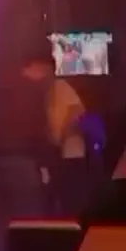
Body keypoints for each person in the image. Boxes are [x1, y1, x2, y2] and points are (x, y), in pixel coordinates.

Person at [21, 52, 87, 215]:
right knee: (56, 192)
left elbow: (78, 111)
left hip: (70, 153)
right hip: (59, 152)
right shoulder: (48, 91)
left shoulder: (60, 86)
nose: (27, 75)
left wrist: (64, 134)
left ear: (44, 68)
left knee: (68, 196)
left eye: (31, 69)